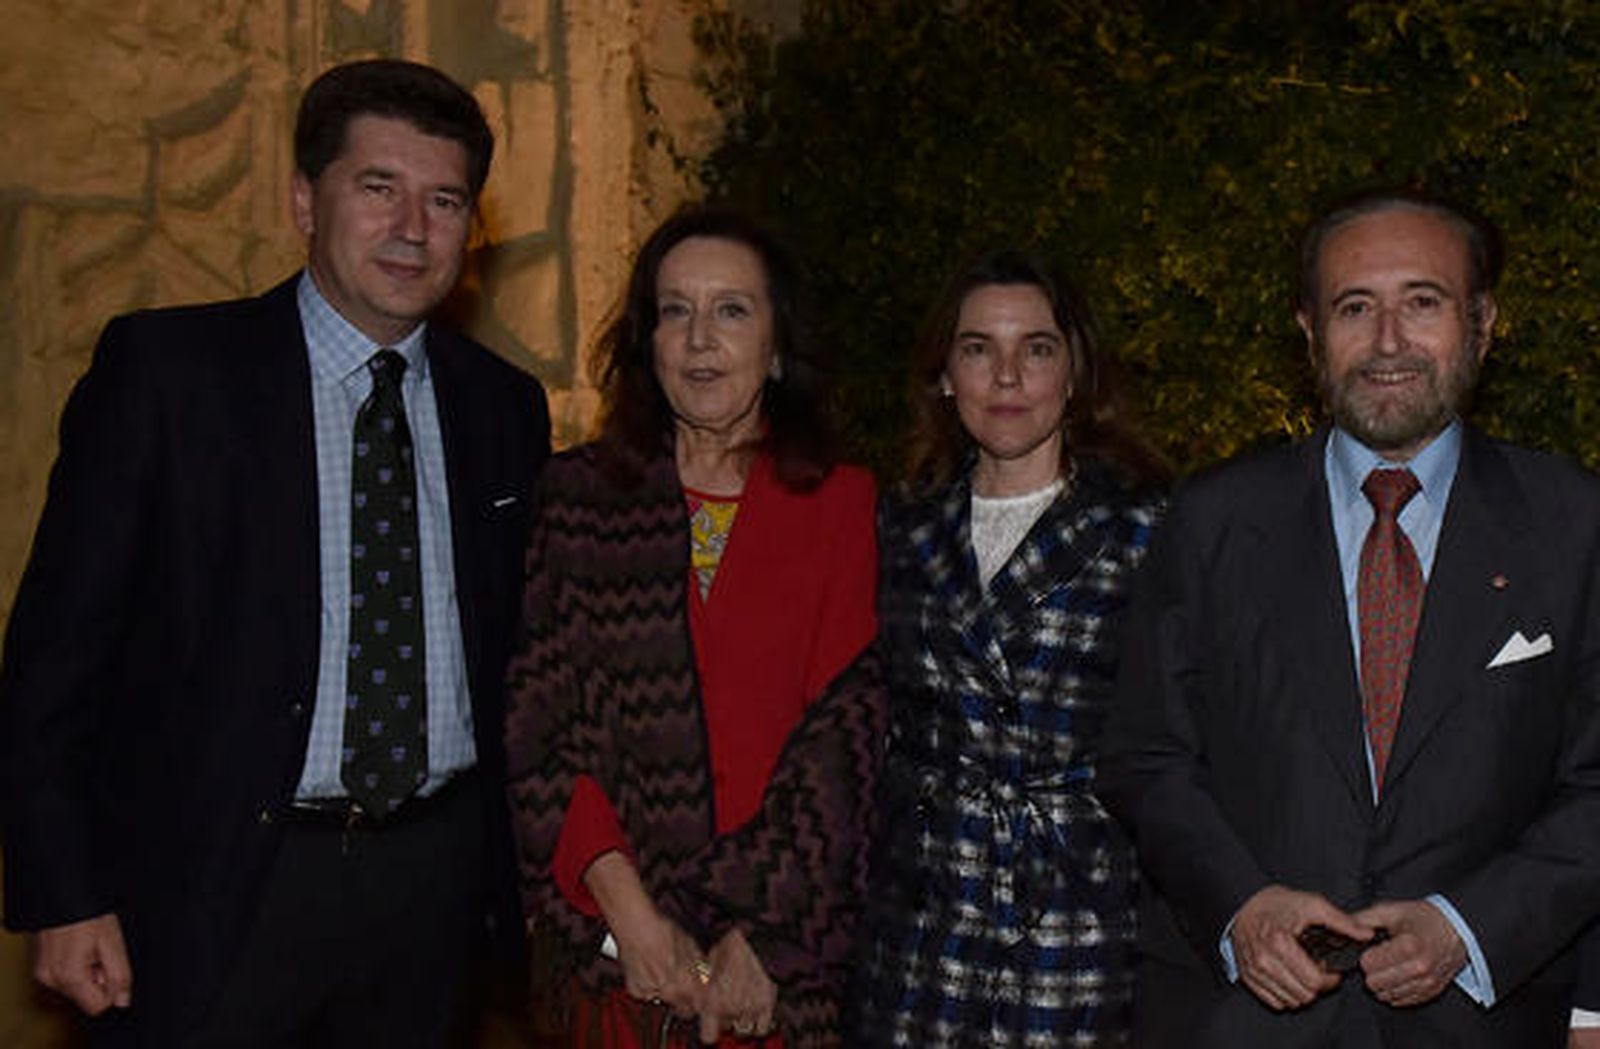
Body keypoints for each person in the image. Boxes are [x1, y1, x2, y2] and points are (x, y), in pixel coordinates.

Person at [0, 59, 550, 1048]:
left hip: (430, 891)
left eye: (444, 200)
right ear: (304, 201)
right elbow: (55, 656)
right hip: (217, 887)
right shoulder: (168, 377)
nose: (412, 228)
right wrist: (63, 889)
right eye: (378, 187)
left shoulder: (504, 407)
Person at [1100, 187, 1600, 1047]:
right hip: (1240, 1022)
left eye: (1423, 302)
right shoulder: (1214, 519)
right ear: (1310, 332)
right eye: (1355, 307)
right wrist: (1240, 907)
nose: (1388, 341)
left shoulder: (1575, 522)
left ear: (1483, 324)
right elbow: (1146, 755)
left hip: (1479, 1022)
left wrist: (1470, 927)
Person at [503, 207, 885, 1048]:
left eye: (732, 310)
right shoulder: (580, 499)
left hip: (776, 967)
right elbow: (539, 726)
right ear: (648, 343)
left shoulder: (842, 503)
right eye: (675, 310)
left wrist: (759, 938)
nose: (701, 338)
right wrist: (633, 918)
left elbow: (845, 748)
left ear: (777, 347)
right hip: (613, 956)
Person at [846, 251, 1167, 1046]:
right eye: (978, 348)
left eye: (1037, 348)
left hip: (1081, 921)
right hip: (920, 926)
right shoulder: (899, 526)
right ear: (944, 375)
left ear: (1075, 371)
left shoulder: (1148, 528)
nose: (1008, 376)